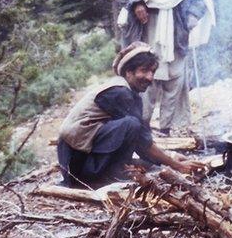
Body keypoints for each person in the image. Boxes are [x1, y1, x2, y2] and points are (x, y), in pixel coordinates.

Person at [114, 0, 215, 135]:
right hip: (145, 27)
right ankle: (141, 127)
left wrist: (194, 15)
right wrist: (137, 3)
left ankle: (166, 128)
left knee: (175, 78)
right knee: (145, 77)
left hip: (176, 29)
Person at [56, 42, 206, 188]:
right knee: (130, 124)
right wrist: (177, 166)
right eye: (144, 70)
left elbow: (142, 141)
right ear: (128, 72)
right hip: (75, 164)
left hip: (83, 160)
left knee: (135, 135)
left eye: (152, 72)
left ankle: (113, 172)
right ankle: (107, 177)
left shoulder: (129, 93)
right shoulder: (119, 92)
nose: (150, 77)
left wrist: (170, 157)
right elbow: (143, 143)